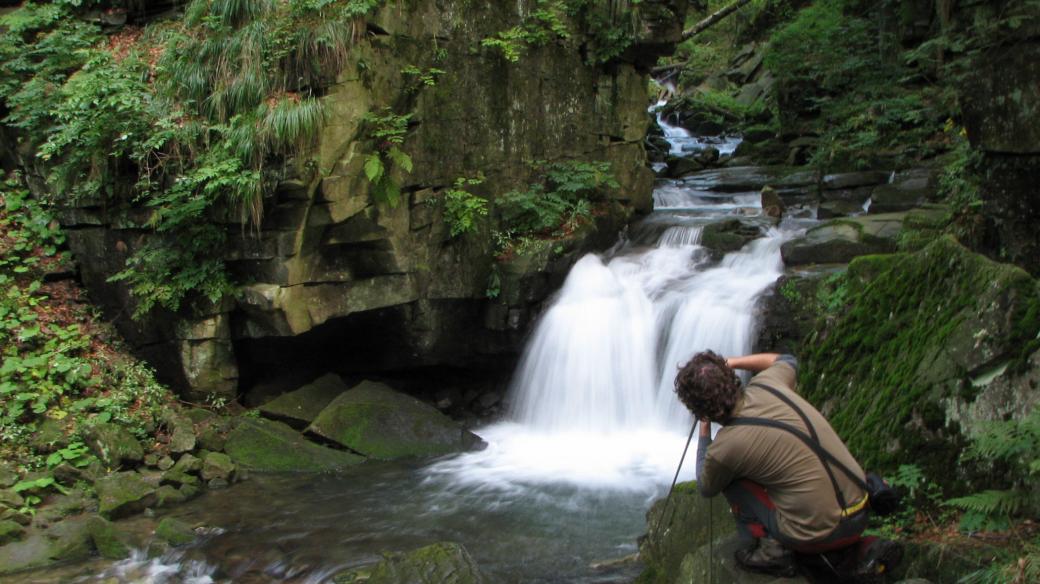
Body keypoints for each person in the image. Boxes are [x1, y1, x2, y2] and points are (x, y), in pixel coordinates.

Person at [674, 350, 902, 580]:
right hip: (862, 509)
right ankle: (854, 551)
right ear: (730, 376)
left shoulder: (725, 448)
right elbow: (786, 359)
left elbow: (706, 485)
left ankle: (772, 552)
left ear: (699, 409)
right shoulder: (769, 382)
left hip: (820, 535)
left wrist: (704, 432)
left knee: (732, 481)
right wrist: (730, 362)